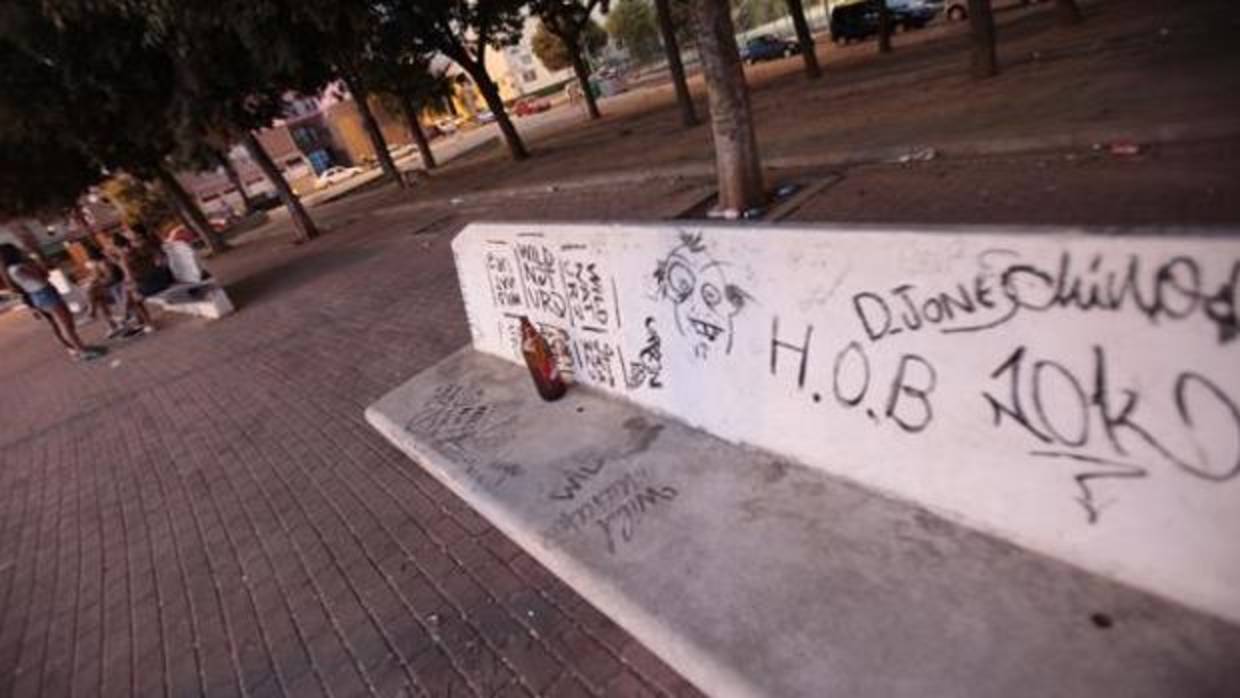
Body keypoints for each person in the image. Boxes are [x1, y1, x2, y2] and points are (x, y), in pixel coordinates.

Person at [0, 243, 106, 361]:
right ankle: (81, 350)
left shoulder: (11, 270)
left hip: (40, 295)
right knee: (65, 324)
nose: (20, 251)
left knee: (66, 323)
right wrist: (35, 264)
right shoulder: (18, 268)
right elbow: (42, 276)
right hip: (44, 293)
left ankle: (80, 347)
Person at [109, 232, 172, 333]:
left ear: (117, 247)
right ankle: (126, 315)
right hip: (161, 281)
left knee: (133, 296)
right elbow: (158, 260)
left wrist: (127, 282)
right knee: (128, 290)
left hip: (148, 287)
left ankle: (142, 321)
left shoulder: (125, 257)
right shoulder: (142, 249)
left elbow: (129, 277)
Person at [81, 243, 127, 338]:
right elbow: (97, 277)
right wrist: (92, 280)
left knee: (93, 292)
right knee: (96, 296)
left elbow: (112, 278)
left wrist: (98, 282)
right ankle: (111, 325)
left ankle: (93, 314)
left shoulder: (103, 263)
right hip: (110, 288)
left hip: (115, 287)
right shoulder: (99, 264)